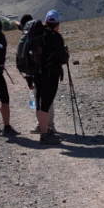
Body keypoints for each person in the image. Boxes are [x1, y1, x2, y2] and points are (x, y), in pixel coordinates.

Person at [34, 10, 69, 145]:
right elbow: (63, 58)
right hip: (50, 75)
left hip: (37, 74)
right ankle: (45, 134)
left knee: (39, 102)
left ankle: (42, 129)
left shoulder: (37, 35)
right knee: (46, 104)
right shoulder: (56, 37)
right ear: (57, 23)